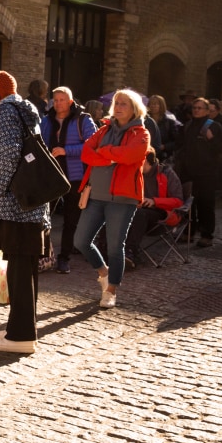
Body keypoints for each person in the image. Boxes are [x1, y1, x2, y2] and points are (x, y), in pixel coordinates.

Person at [0, 71, 49, 354]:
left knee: (19, 272)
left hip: (15, 207)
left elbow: (7, 160)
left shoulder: (7, 111)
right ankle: (21, 326)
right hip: (30, 205)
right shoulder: (25, 109)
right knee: (25, 271)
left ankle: (21, 336)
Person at [73, 89, 150, 309]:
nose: (118, 107)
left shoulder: (141, 133)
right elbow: (86, 153)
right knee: (81, 241)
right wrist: (112, 154)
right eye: (116, 103)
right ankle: (104, 272)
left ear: (134, 108)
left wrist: (105, 151)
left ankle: (111, 290)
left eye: (123, 104)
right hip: (96, 194)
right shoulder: (104, 129)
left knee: (116, 247)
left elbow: (131, 156)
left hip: (122, 199)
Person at [41, 86, 97, 274]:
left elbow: (92, 144)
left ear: (70, 102)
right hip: (52, 175)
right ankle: (43, 256)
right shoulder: (47, 120)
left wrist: (67, 150)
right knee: (43, 216)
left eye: (62, 100)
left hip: (75, 176)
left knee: (71, 220)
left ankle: (64, 258)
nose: (57, 103)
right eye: (55, 100)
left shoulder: (83, 119)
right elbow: (38, 140)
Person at [174, 97, 222, 248]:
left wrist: (212, 139)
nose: (196, 110)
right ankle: (189, 232)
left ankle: (206, 235)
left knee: (206, 204)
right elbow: (181, 145)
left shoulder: (214, 126)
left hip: (206, 173)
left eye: (200, 108)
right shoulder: (188, 125)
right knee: (189, 204)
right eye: (194, 108)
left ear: (206, 110)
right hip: (188, 171)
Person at [124, 148, 183, 267]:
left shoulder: (167, 173)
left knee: (139, 214)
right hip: (141, 211)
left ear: (146, 161)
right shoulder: (137, 174)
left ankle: (130, 253)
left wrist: (155, 202)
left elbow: (178, 202)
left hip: (163, 213)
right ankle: (112, 250)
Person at [147, 94, 180, 163]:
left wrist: (164, 146)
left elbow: (177, 141)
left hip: (162, 157)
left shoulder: (169, 123)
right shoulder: (144, 121)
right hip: (146, 156)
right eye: (151, 104)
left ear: (161, 106)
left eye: (155, 104)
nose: (152, 106)